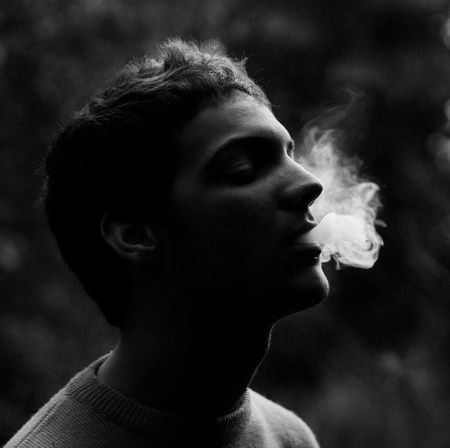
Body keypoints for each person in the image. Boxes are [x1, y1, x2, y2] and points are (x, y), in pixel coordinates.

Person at [5, 38, 329, 448]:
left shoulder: (290, 438)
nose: (309, 183)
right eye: (242, 169)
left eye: (289, 155)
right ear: (135, 235)